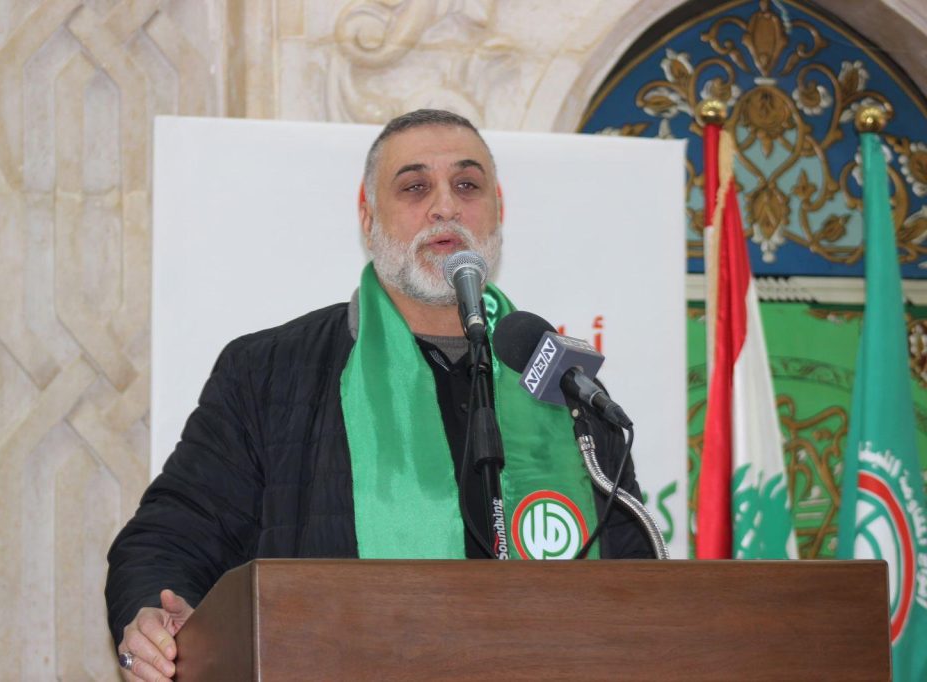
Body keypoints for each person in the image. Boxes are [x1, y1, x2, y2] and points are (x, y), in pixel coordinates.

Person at [106, 109, 652, 682]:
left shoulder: (562, 383)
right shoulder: (268, 372)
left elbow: (634, 573)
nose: (445, 207)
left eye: (467, 185)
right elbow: (169, 537)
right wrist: (150, 616)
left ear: (499, 210)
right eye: (415, 187)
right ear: (367, 217)